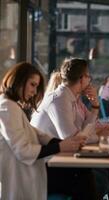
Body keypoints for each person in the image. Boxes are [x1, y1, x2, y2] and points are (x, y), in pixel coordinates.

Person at [0, 62, 85, 200]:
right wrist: (60, 146)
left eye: (36, 86)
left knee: (82, 175)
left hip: (26, 171)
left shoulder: (11, 105)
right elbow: (22, 151)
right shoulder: (7, 107)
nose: (34, 91)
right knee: (82, 177)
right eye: (32, 85)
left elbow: (38, 134)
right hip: (20, 177)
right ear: (19, 80)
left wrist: (66, 143)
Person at [30, 58, 108, 199]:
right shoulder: (59, 100)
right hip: (44, 167)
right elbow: (74, 139)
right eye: (88, 76)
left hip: (59, 159)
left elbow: (84, 130)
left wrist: (95, 107)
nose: (89, 79)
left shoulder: (70, 98)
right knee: (90, 177)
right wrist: (94, 136)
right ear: (81, 78)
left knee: (99, 174)